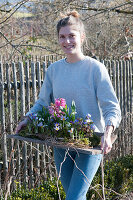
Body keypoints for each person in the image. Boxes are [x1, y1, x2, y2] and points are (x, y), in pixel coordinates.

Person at [16, 10, 121, 200]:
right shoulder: (54, 70)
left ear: (82, 37)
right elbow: (42, 103)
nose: (67, 41)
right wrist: (27, 118)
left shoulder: (95, 68)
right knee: (73, 197)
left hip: (90, 144)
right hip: (61, 142)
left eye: (71, 36)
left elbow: (111, 106)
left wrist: (107, 132)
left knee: (73, 198)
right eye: (62, 37)